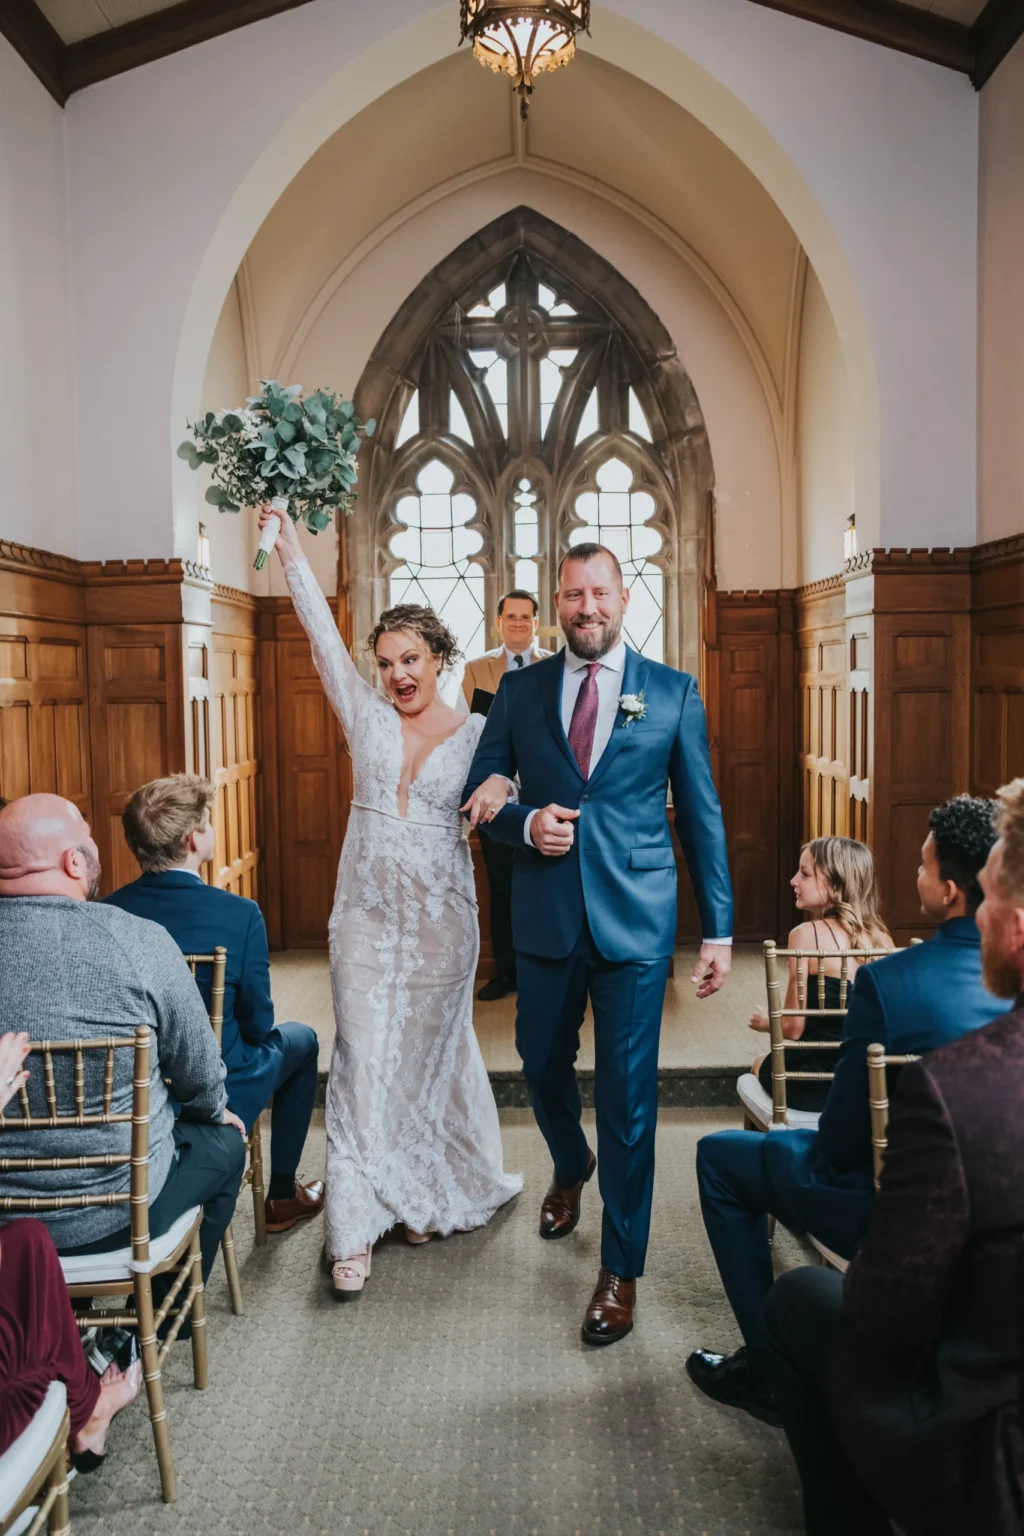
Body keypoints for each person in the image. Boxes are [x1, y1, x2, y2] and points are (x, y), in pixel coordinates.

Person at [462, 542, 733, 1345]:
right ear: (556, 603)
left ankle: (621, 1268)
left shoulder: (674, 694)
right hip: (545, 916)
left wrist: (717, 929)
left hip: (637, 923)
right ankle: (569, 1164)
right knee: (540, 1063)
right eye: (573, 595)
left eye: (600, 593)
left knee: (628, 1096)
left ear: (623, 598)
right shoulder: (519, 690)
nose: (587, 608)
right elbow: (479, 790)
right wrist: (523, 821)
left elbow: (705, 817)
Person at [260, 507, 522, 1296]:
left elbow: (516, 786)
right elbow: (318, 637)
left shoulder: (480, 733)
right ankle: (353, 1228)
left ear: (440, 658)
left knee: (421, 1063)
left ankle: (413, 1190)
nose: (398, 674)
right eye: (385, 663)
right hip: (366, 920)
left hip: (444, 925)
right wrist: (289, 551)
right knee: (364, 1060)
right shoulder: (364, 715)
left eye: (410, 659)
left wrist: (504, 784)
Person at [688, 795, 1006, 1425]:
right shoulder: (1000, 975)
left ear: (948, 891)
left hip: (891, 1206)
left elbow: (838, 1148)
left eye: (920, 867)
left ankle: (773, 1367)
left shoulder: (892, 984)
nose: (911, 877)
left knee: (718, 1157)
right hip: (995, 1213)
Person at [762, 776, 1024, 1536]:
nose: (981, 913)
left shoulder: (961, 1092)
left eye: (994, 896)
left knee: (801, 1299)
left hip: (991, 1432)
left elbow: (888, 1307)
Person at [0, 794, 246, 1285]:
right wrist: (211, 1111)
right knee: (225, 1142)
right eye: (88, 838)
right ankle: (137, 1333)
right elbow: (199, 1075)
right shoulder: (140, 940)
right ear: (74, 861)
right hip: (121, 1216)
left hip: (8, 1226)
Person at [105, 774, 324, 1234]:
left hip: (132, 1087)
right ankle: (282, 1196)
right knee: (301, 1040)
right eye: (207, 821)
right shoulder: (239, 913)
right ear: (193, 839)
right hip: (219, 1084)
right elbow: (259, 1021)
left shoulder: (107, 913)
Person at [747, 837, 893, 1114]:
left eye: (805, 874)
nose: (793, 881)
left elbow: (792, 1028)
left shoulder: (805, 936)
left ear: (836, 885)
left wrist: (767, 1021)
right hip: (866, 1080)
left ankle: (775, 1150)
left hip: (817, 1084)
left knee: (759, 1063)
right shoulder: (882, 939)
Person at [462, 590, 553, 1003]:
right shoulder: (476, 669)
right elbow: (468, 731)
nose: (518, 624)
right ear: (498, 622)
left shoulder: (556, 664)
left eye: (525, 618)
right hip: (497, 799)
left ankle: (547, 974)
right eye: (510, 617)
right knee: (501, 888)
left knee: (547, 888)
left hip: (544, 793)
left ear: (536, 623)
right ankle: (507, 972)